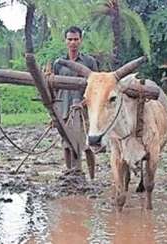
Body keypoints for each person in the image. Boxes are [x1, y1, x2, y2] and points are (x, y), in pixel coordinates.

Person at [52, 26, 99, 172]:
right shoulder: (58, 63)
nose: (73, 42)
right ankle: (70, 172)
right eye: (70, 39)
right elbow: (54, 89)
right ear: (65, 41)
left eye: (76, 39)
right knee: (66, 143)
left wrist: (83, 103)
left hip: (84, 110)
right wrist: (54, 112)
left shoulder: (89, 62)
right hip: (64, 109)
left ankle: (91, 174)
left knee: (86, 144)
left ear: (81, 40)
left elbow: (96, 88)